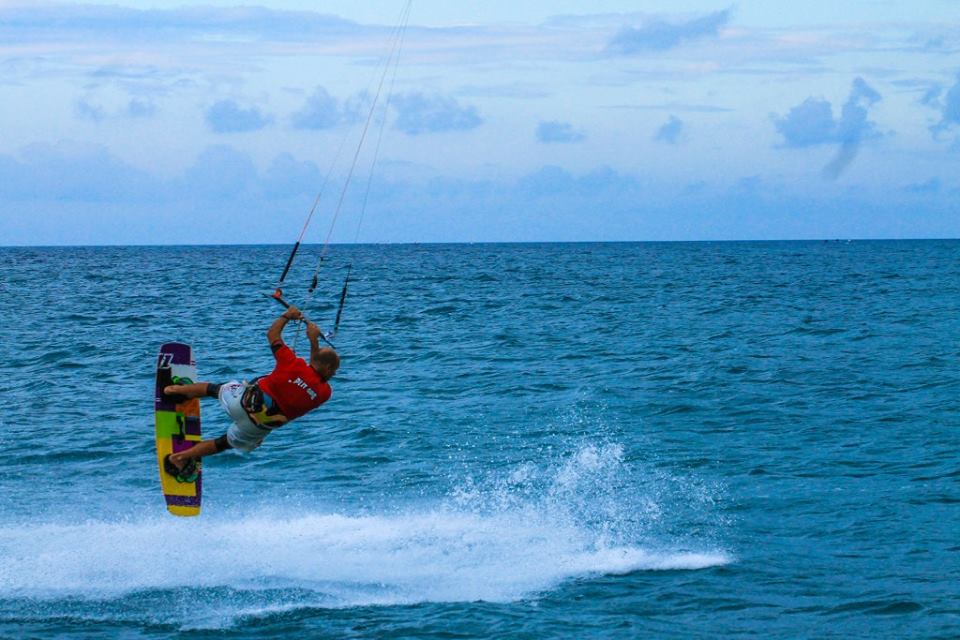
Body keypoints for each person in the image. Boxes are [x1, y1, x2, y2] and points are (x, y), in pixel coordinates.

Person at [162, 306, 339, 481]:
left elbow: (272, 334)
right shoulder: (324, 393)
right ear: (328, 368)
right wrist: (313, 342)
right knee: (223, 443)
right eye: (334, 371)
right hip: (256, 426)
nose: (334, 374)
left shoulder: (292, 362)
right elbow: (314, 372)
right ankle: (179, 458)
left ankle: (174, 390)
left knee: (215, 389)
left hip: (239, 403)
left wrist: (288, 316)